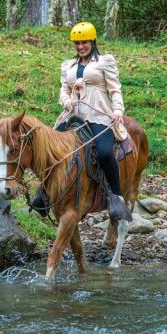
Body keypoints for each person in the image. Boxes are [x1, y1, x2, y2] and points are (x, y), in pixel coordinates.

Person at [31, 21, 132, 222]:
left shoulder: (105, 61)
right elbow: (64, 89)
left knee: (104, 152)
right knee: (47, 147)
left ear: (92, 41)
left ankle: (116, 197)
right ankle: (43, 192)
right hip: (73, 115)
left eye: (84, 42)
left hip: (98, 115)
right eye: (76, 43)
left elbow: (115, 89)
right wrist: (66, 100)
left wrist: (118, 110)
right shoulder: (68, 65)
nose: (80, 47)